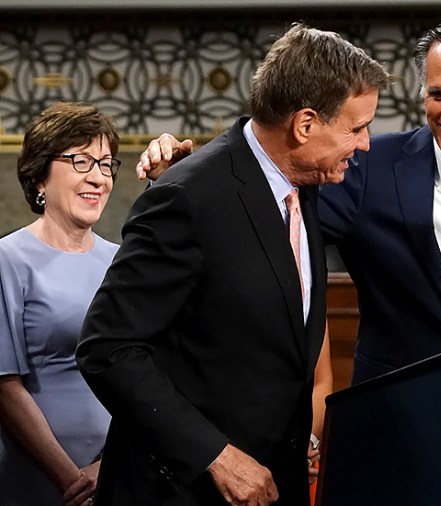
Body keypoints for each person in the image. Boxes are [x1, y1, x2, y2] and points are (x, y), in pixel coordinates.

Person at [139, 14, 441, 386]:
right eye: (439, 94)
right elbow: (267, 210)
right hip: (397, 414)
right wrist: (186, 178)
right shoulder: (369, 164)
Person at [77, 23, 389, 506]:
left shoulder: (303, 187)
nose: (365, 143)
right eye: (356, 127)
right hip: (180, 491)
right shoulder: (188, 198)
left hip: (271, 484)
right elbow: (108, 349)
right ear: (305, 125)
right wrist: (216, 456)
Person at [0, 102, 120, 506]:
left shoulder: (124, 262)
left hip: (120, 475)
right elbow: (4, 387)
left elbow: (150, 374)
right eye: (81, 160)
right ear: (39, 177)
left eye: (105, 164)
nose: (98, 177)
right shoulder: (7, 258)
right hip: (41, 482)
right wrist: (73, 480)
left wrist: (111, 468)